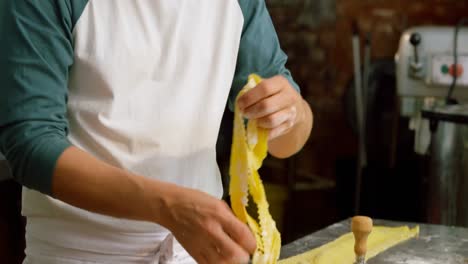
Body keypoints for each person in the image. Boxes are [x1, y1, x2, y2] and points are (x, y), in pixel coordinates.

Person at [0, 1, 313, 263]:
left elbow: (287, 138)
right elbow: (30, 143)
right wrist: (169, 208)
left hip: (195, 249)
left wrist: (294, 114)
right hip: (79, 252)